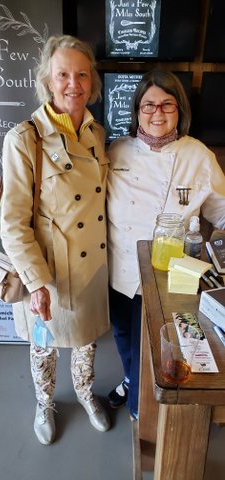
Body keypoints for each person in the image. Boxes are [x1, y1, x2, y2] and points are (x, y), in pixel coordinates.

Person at [0, 35, 110, 445]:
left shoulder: (97, 131)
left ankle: (84, 393)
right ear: (48, 78)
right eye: (63, 74)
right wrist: (37, 281)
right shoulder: (24, 138)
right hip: (47, 270)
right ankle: (44, 401)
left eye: (82, 74)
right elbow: (13, 223)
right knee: (42, 345)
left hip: (91, 264)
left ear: (92, 81)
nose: (73, 84)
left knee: (85, 342)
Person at [107, 67, 225, 420]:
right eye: (148, 105)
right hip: (118, 270)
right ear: (136, 110)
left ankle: (139, 411)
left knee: (156, 349)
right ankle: (130, 379)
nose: (157, 112)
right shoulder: (117, 151)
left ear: (180, 110)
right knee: (124, 336)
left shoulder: (198, 156)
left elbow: (222, 213)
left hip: (167, 278)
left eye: (167, 104)